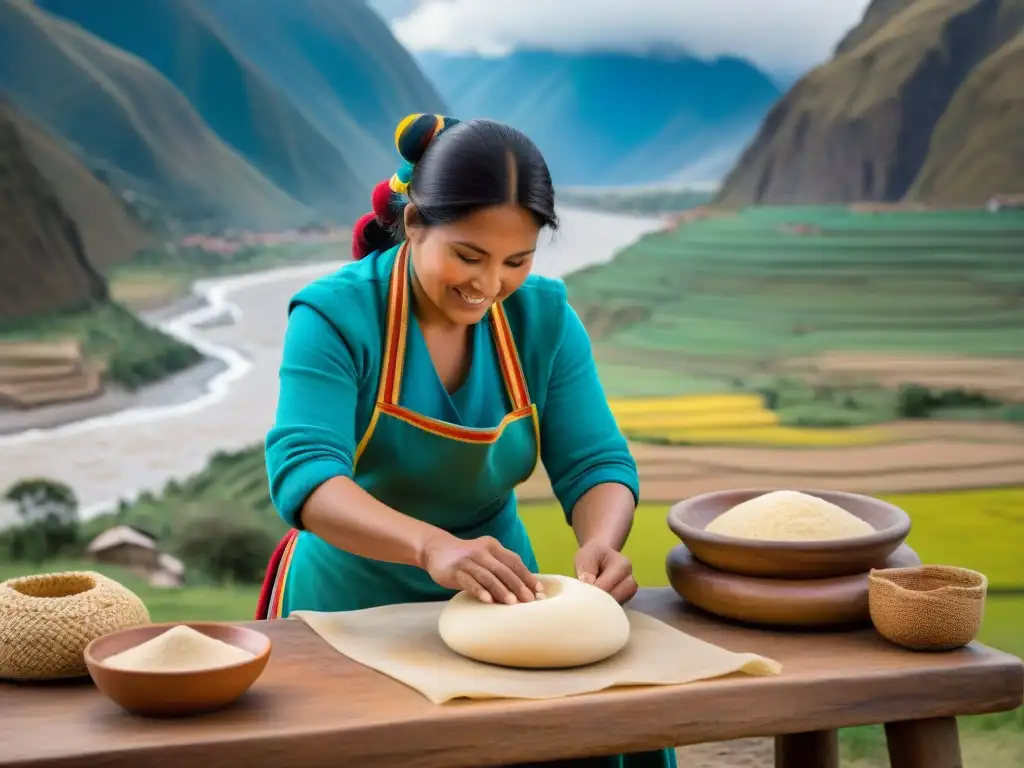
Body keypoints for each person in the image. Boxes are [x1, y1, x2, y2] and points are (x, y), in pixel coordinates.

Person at [259, 113, 677, 768]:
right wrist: (431, 547)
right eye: (468, 256)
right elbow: (306, 478)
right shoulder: (335, 316)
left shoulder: (543, 317)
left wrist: (600, 542)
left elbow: (595, 462)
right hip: (352, 600)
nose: (488, 285)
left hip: (502, 595)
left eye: (517, 260)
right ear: (415, 222)